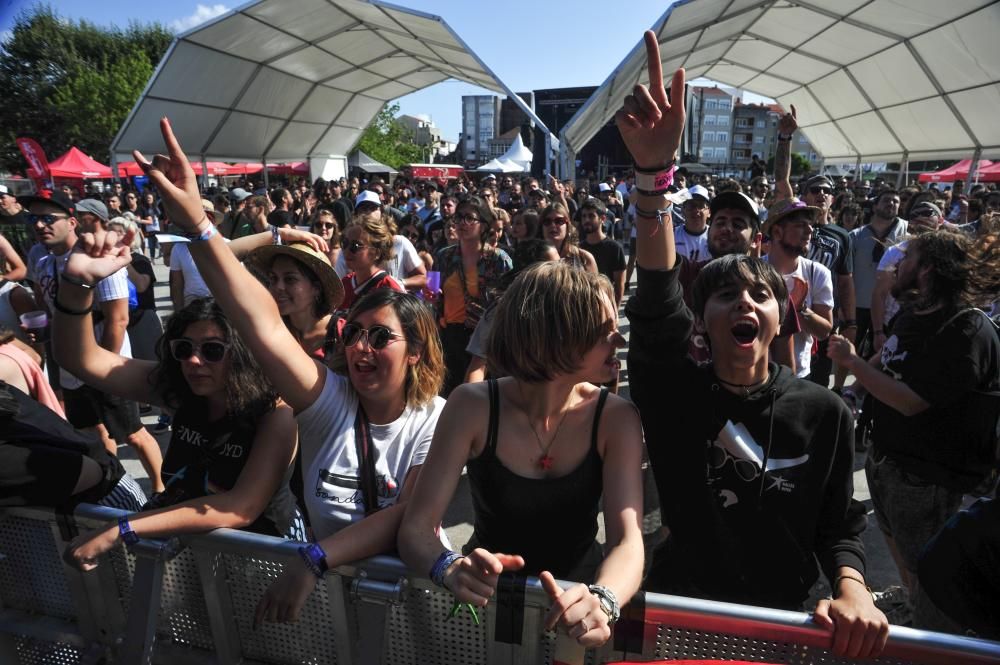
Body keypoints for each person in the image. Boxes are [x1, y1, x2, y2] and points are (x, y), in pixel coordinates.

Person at [620, 31, 887, 659]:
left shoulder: (823, 413)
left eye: (759, 296)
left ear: (782, 315)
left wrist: (854, 589)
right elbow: (657, 298)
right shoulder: (673, 396)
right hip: (679, 619)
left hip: (781, 631)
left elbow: (840, 522)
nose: (744, 302)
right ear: (700, 322)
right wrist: (652, 179)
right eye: (724, 296)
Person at [128, 118, 448, 627]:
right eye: (354, 334)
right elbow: (260, 323)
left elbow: (410, 518)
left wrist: (316, 558)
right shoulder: (328, 403)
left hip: (418, 610)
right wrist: (198, 225)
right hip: (329, 607)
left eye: (381, 336)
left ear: (416, 352)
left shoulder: (438, 418)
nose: (361, 346)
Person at [399, 262, 644, 649]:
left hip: (577, 616)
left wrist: (604, 599)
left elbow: (627, 542)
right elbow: (416, 526)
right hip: (488, 608)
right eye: (603, 333)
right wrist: (449, 568)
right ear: (553, 339)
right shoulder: (472, 406)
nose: (619, 341)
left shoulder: (616, 418)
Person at [828, 228, 1000, 631]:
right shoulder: (912, 314)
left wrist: (853, 365)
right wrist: (855, 385)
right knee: (903, 552)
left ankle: (929, 634)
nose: (893, 266)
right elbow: (888, 363)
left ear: (926, 271)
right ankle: (911, 601)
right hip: (889, 459)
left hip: (926, 477)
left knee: (928, 564)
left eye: (904, 260)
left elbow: (910, 401)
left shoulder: (965, 330)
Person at [25, 193, 165, 493]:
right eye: (32, 218)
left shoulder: (99, 258)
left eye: (48, 218)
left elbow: (118, 320)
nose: (38, 225)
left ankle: (161, 489)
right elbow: (48, 306)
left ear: (72, 222)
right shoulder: (42, 259)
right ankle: (115, 488)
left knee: (133, 433)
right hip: (70, 366)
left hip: (107, 364)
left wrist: (102, 370)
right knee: (92, 432)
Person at [434, 197, 512, 396]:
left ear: (484, 225)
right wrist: (433, 294)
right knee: (450, 396)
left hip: (485, 339)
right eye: (459, 217)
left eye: (470, 218)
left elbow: (510, 301)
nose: (462, 223)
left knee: (482, 398)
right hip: (450, 337)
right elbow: (432, 289)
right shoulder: (444, 256)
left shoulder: (498, 259)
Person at [251, 242, 343, 361]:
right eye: (273, 278)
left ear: (317, 288)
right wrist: (278, 233)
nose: (278, 287)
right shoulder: (269, 327)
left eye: (290, 279)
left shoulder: (343, 334)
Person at [339, 215, 406, 312]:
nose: (347, 250)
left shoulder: (390, 288)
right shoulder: (344, 283)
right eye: (344, 243)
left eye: (355, 246)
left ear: (376, 253)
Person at [578, 198, 626, 308]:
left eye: (591, 216)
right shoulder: (579, 248)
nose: (586, 220)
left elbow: (619, 286)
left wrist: (614, 312)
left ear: (602, 218)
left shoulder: (614, 248)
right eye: (584, 216)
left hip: (605, 306)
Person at [540, 203, 597, 274]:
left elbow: (595, 284)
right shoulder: (532, 257)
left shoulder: (584, 258)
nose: (553, 225)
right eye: (547, 221)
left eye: (559, 221)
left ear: (567, 226)